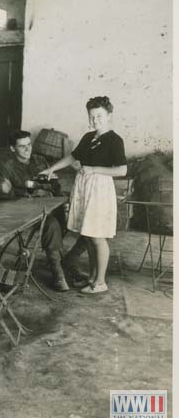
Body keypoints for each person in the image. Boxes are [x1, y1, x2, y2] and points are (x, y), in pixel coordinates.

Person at [39, 96, 127, 294]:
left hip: (100, 190)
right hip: (85, 187)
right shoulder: (88, 137)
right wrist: (51, 169)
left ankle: (101, 282)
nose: (95, 120)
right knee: (88, 235)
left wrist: (94, 169)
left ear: (109, 116)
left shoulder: (114, 140)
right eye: (91, 116)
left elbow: (122, 170)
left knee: (97, 237)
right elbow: (72, 157)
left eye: (99, 116)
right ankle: (92, 277)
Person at [0, 130, 87, 291]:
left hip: (50, 207)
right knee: (52, 225)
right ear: (13, 149)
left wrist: (63, 201)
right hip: (25, 212)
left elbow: (55, 185)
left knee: (85, 223)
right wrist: (26, 193)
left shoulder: (40, 160)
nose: (27, 149)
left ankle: (69, 260)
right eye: (22, 146)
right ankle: (58, 272)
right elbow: (5, 195)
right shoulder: (7, 167)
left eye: (29, 144)